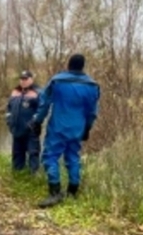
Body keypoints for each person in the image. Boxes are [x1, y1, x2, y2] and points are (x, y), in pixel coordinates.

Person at [28, 54, 100, 208]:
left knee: (50, 157)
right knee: (73, 157)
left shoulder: (57, 81)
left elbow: (44, 103)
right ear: (82, 66)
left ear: (69, 65)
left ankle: (55, 193)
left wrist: (38, 121)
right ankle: (72, 192)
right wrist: (87, 128)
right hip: (77, 128)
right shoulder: (92, 85)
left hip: (58, 127)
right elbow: (92, 112)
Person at [6, 70, 42, 174]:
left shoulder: (37, 92)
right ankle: (18, 173)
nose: (23, 81)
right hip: (16, 129)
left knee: (33, 152)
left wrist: (34, 122)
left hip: (31, 130)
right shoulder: (15, 92)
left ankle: (34, 175)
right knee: (17, 153)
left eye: (26, 79)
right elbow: (9, 108)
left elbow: (42, 110)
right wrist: (9, 120)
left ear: (31, 79)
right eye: (21, 79)